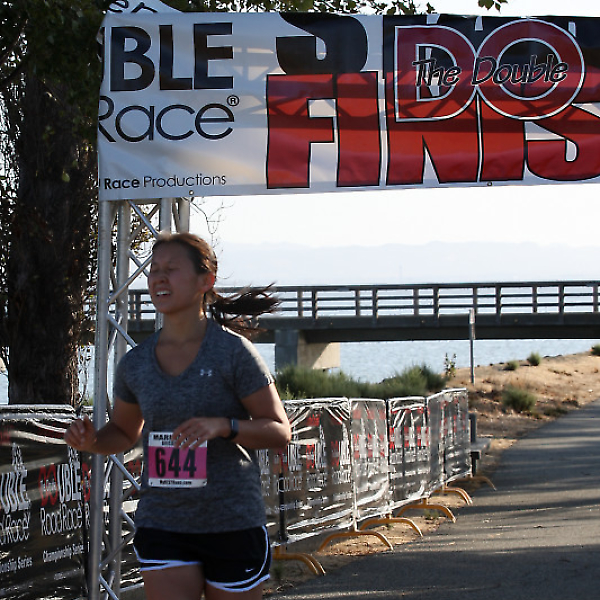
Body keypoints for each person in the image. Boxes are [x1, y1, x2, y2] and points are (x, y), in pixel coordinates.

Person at [64, 232, 292, 600]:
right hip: (163, 521)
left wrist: (223, 426)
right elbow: (123, 432)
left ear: (206, 281)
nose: (158, 278)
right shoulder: (135, 364)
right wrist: (92, 441)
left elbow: (280, 431)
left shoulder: (233, 353)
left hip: (231, 522)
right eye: (154, 270)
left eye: (171, 269)